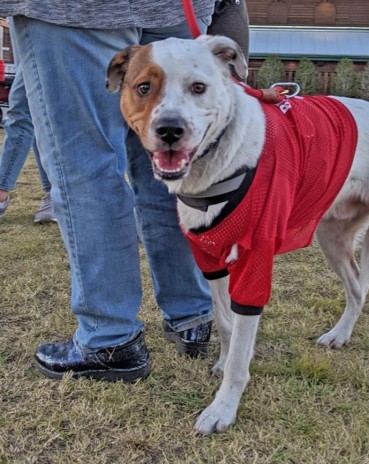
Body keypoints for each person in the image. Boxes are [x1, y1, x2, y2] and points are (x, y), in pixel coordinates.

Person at [0, 1, 218, 383]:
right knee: (170, 167)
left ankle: (109, 339)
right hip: (178, 8)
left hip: (75, 11)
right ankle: (192, 317)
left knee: (85, 164)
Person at [0, 35, 56, 223]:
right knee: (32, 111)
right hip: (21, 15)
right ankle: (52, 194)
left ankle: (1, 192)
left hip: (51, 16)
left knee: (23, 109)